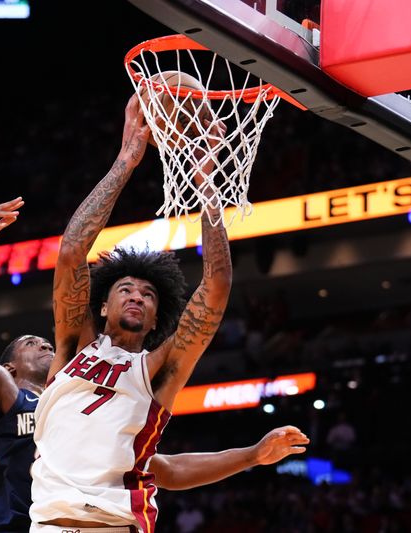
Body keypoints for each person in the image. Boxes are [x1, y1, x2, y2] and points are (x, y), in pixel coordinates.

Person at [0, 198, 310, 532]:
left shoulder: (103, 394)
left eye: (146, 294)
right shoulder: (4, 389)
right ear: (9, 367)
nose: (43, 343)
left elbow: (165, 471)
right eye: (30, 343)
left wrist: (253, 455)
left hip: (98, 522)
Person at [30, 93, 243, 532]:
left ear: (155, 316)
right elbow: (72, 252)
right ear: (102, 305)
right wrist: (126, 160)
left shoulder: (157, 370)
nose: (136, 297)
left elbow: (216, 287)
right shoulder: (71, 349)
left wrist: (207, 185)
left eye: (147, 295)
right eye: (125, 288)